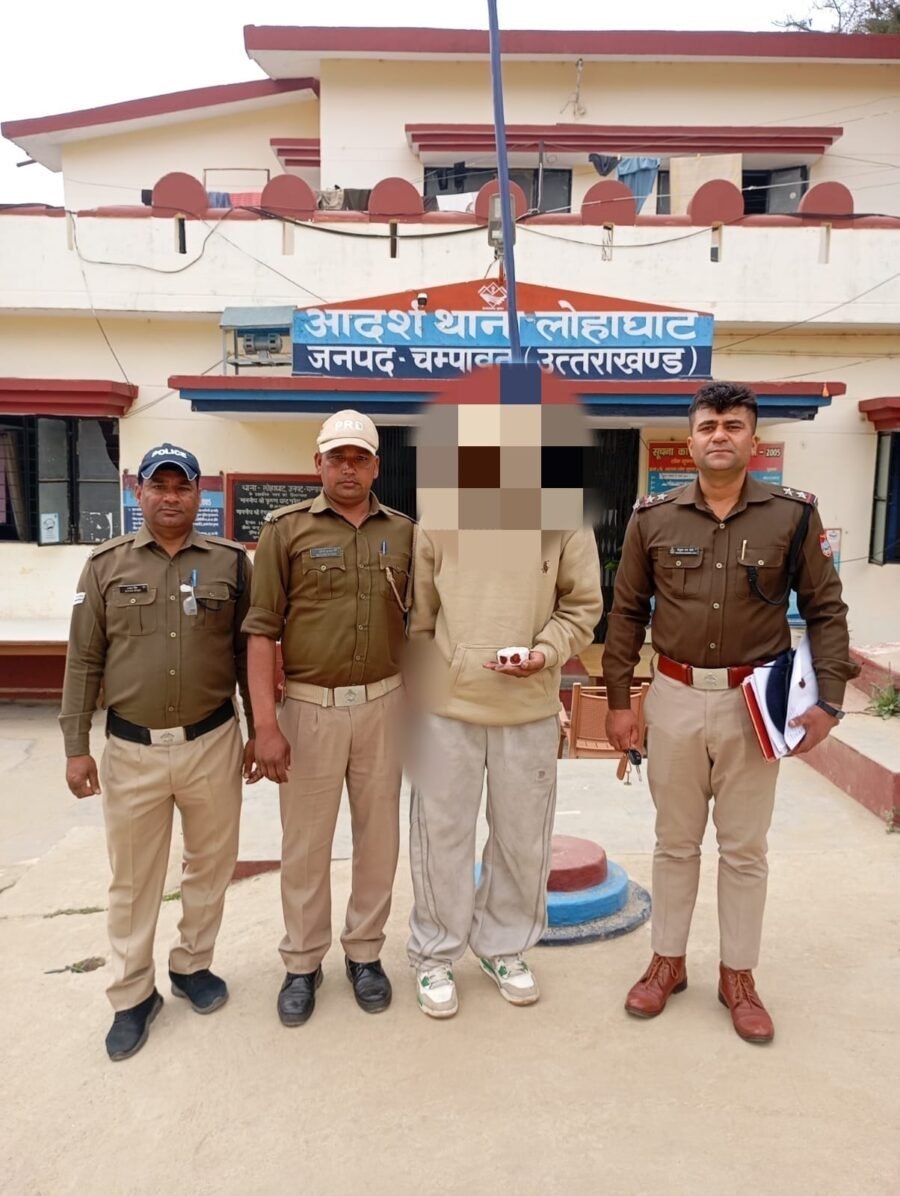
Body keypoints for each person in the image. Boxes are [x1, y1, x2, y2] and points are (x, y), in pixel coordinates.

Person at [603, 382, 859, 1044]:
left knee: (744, 849)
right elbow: (625, 613)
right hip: (675, 697)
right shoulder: (652, 518)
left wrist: (828, 699)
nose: (720, 435)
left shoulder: (792, 516)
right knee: (675, 841)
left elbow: (826, 611)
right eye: (709, 425)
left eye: (733, 425)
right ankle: (666, 962)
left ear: (753, 439)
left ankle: (738, 975)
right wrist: (620, 700)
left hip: (757, 701)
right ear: (691, 440)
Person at [406, 366, 603, 1018]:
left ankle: (504, 946)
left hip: (529, 709)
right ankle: (436, 953)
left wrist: (545, 651)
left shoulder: (564, 519)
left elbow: (582, 609)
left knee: (521, 840)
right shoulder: (439, 516)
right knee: (441, 836)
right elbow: (420, 618)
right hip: (448, 711)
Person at [60, 443, 258, 1062]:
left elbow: (246, 655)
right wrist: (75, 746)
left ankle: (193, 965)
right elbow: (83, 659)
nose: (170, 497)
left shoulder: (231, 563)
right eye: (159, 486)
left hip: (212, 742)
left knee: (211, 865)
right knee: (133, 878)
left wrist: (260, 729)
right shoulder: (105, 565)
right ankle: (132, 994)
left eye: (182, 486)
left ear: (199, 494)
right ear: (138, 492)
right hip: (132, 749)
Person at [244, 410, 414, 1027]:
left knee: (379, 839)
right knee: (306, 844)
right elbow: (261, 632)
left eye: (359, 458)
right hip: (309, 710)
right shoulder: (285, 530)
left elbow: (419, 626)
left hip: (385, 707)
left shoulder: (406, 534)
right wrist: (265, 725)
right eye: (337, 457)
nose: (348, 468)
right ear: (317, 463)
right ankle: (302, 961)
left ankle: (365, 953)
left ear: (376, 466)